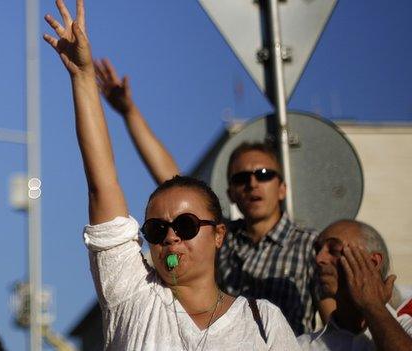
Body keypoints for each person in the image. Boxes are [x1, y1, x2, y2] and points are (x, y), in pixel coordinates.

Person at [44, 1, 300, 349]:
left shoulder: (263, 322)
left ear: (219, 235)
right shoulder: (133, 296)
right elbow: (102, 187)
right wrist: (83, 77)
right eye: (156, 229)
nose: (170, 237)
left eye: (187, 226)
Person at [95, 58, 331, 335]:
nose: (253, 183)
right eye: (241, 178)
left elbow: (333, 326)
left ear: (282, 187)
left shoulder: (310, 244)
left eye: (264, 174)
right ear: (230, 192)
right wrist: (129, 112)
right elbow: (173, 183)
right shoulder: (219, 238)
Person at [297, 220, 412, 350]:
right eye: (317, 249)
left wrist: (372, 306)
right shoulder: (302, 346)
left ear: (373, 262)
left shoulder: (407, 328)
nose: (319, 258)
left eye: (333, 250)